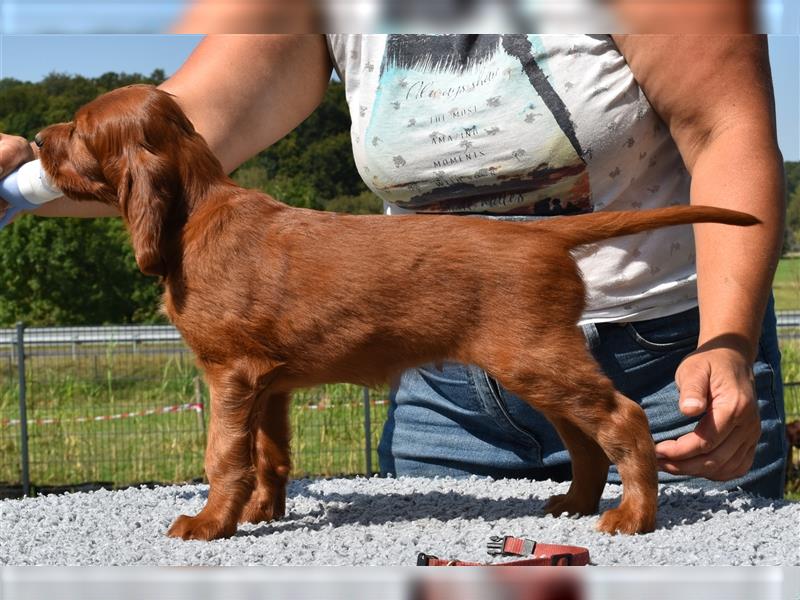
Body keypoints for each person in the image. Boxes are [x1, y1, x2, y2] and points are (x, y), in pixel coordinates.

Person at [0, 32, 786, 498]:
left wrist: (726, 342)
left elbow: (729, 131)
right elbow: (161, 152)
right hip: (430, 386)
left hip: (666, 363)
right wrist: (21, 180)